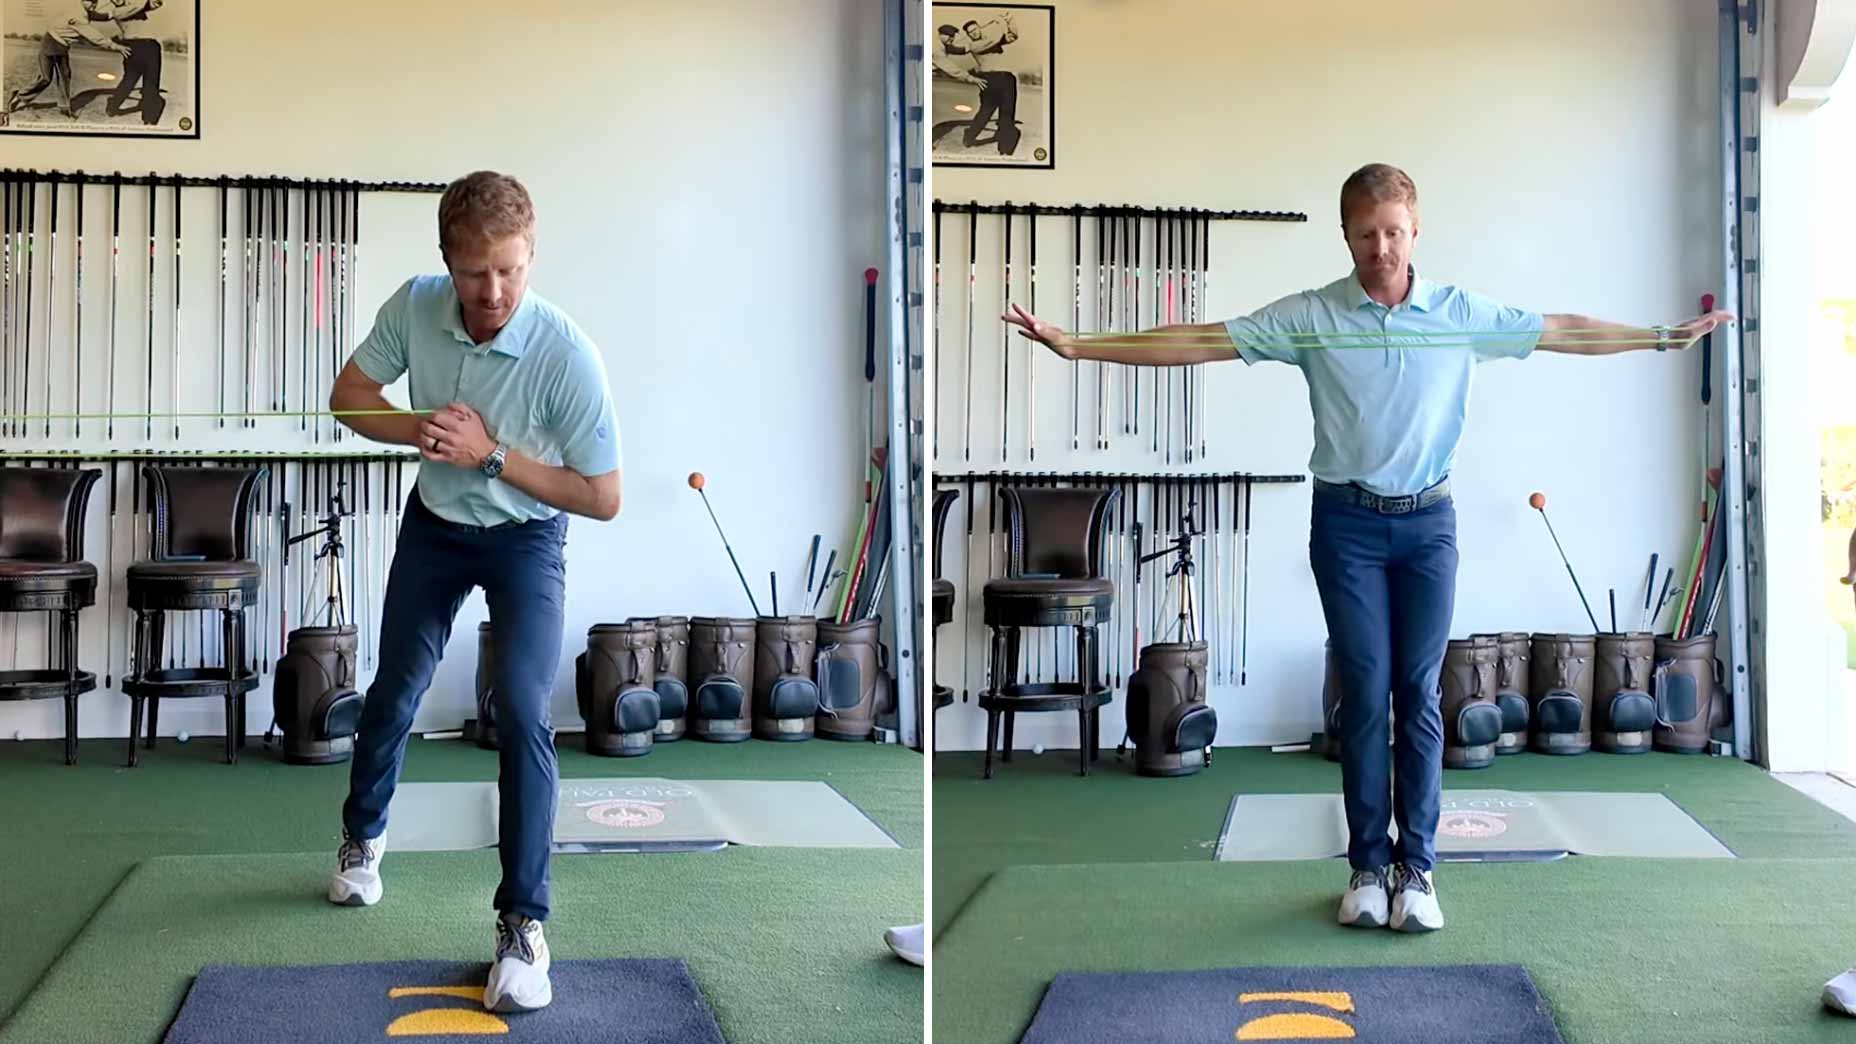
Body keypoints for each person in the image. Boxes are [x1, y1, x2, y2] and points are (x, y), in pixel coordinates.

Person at [1003, 162, 1734, 934]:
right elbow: (1202, 339)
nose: (1380, 247)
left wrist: (1662, 336)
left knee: (1418, 692)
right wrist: (1079, 346)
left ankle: (1416, 871)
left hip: (1429, 526)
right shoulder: (1313, 316)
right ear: (1346, 235)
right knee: (1365, 688)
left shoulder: (1458, 314)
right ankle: (1364, 869)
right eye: (1365, 233)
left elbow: (1561, 330)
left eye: (1393, 232)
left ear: (1415, 231)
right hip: (1346, 526)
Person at [324, 171, 622, 1012]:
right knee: (394, 690)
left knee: (525, 709)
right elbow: (350, 397)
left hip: (528, 537)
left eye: (511, 271)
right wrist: (416, 430)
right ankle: (362, 838)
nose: (493, 291)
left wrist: (492, 455)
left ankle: (523, 926)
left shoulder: (566, 353)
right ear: (447, 260)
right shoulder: (416, 306)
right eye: (475, 271)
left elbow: (603, 496)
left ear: (531, 259)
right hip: (436, 526)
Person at [3, 0, 140, 120]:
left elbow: (102, 16)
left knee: (65, 75)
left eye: (95, 1)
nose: (93, 4)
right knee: (45, 78)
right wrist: (115, 46)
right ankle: (19, 96)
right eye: (89, 1)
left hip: (59, 45)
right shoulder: (79, 16)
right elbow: (94, 37)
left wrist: (115, 12)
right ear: (82, 1)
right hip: (52, 44)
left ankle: (64, 108)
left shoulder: (83, 10)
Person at [932, 16, 1021, 155]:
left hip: (1008, 79)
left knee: (1007, 114)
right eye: (970, 32)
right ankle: (970, 136)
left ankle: (1005, 149)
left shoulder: (991, 41)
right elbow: (992, 40)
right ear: (968, 35)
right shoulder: (973, 46)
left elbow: (1013, 36)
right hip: (990, 80)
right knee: (985, 113)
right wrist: (999, 24)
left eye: (975, 29)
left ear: (980, 28)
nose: (974, 33)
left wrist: (1010, 21)